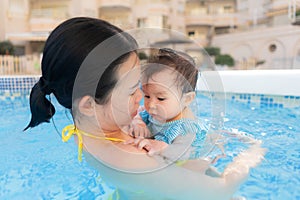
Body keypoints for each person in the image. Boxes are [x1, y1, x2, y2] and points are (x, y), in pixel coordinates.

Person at [24, 17, 266, 200]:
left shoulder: (94, 128)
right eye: (132, 91)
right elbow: (222, 190)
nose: (142, 99)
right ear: (89, 104)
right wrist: (247, 159)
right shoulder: (131, 161)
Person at [126, 48, 212, 161]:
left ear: (187, 99)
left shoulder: (186, 128)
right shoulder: (152, 112)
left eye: (161, 98)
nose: (151, 104)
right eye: (147, 96)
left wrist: (163, 148)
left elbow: (185, 153)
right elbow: (139, 113)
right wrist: (139, 123)